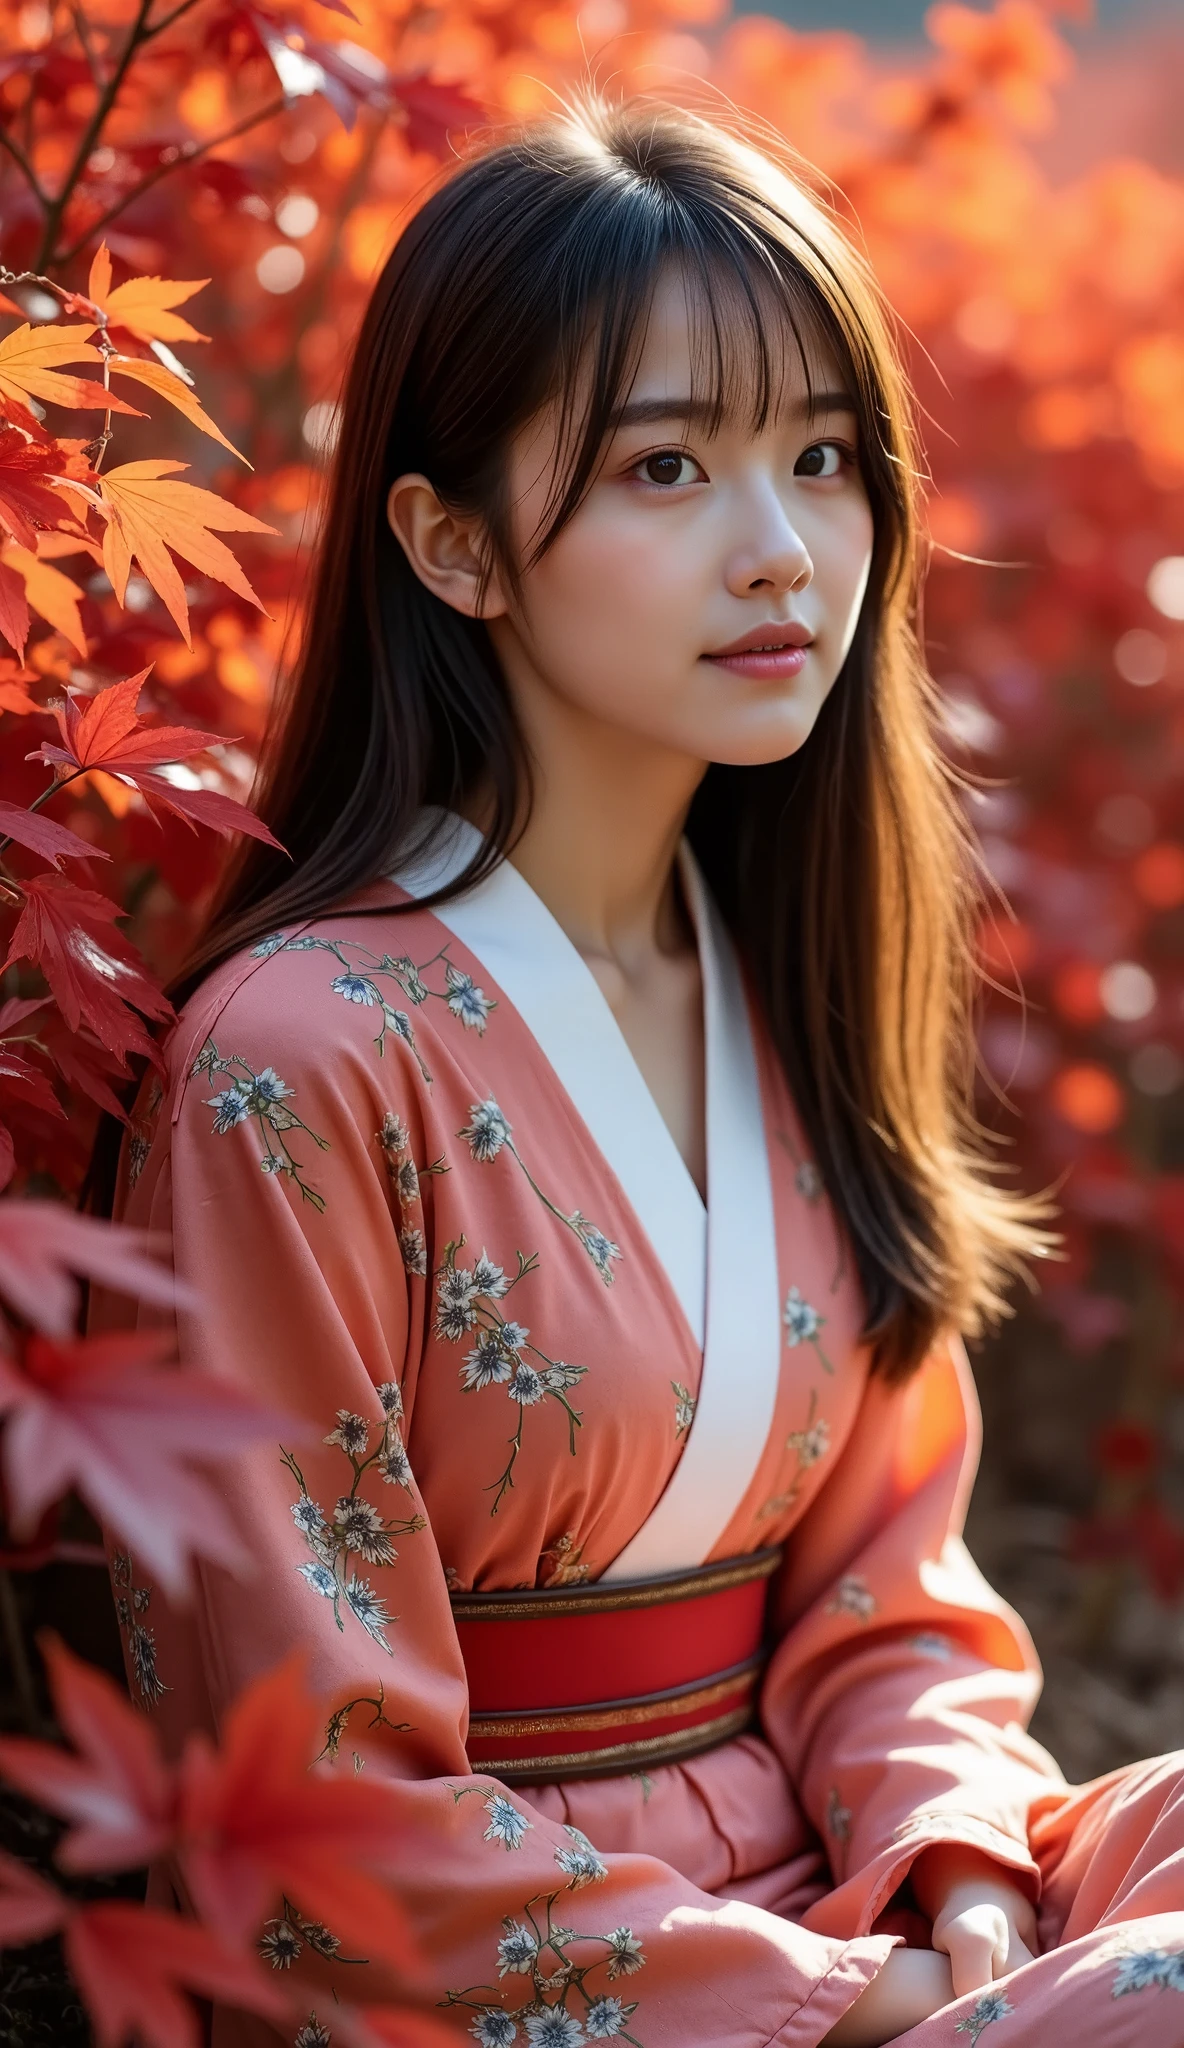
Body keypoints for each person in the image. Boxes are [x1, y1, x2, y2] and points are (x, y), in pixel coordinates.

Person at [91, 97, 1184, 2048]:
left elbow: (895, 1597)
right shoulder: (295, 1067)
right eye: (666, 465)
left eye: (823, 457)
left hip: (868, 1908)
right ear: (448, 542)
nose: (780, 552)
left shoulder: (788, 968)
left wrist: (960, 1874)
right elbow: (313, 1818)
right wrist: (845, 2005)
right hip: (547, 1981)